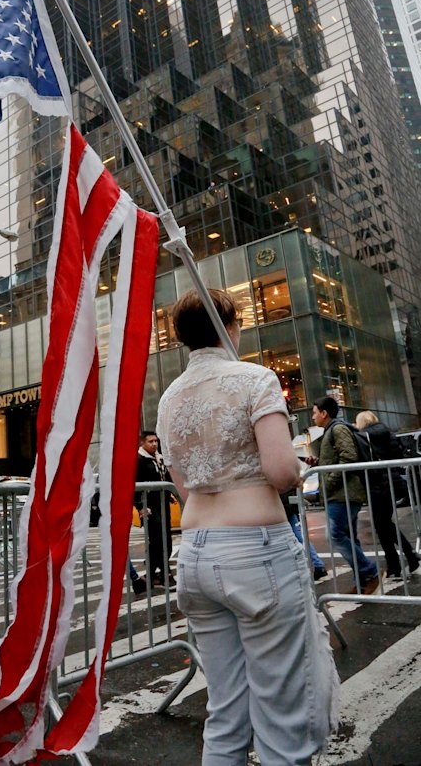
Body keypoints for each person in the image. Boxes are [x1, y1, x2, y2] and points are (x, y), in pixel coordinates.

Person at [157, 288, 338, 766]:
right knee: (283, 716)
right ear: (231, 327)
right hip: (256, 551)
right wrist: (298, 466)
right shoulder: (255, 378)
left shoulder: (170, 398)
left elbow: (183, 488)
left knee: (225, 711)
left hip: (195, 553)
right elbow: (281, 473)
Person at [308, 397, 380, 594]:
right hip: (344, 493)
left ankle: (369, 570)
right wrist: (317, 463)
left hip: (343, 494)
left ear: (324, 413)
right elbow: (339, 457)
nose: (313, 417)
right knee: (348, 537)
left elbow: (348, 457)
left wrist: (329, 483)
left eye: (315, 412)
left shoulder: (337, 429)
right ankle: (362, 582)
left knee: (335, 534)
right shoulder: (331, 430)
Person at [355, 410, 420, 578]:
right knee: (384, 525)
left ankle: (403, 560)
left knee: (383, 525)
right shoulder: (387, 433)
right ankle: (399, 562)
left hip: (377, 485)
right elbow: (397, 455)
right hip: (393, 482)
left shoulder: (364, 437)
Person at [135, 431, 175, 587]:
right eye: (150, 441)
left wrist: (170, 494)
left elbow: (166, 479)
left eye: (156, 441)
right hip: (149, 506)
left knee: (165, 539)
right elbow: (135, 486)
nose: (154, 444)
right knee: (158, 540)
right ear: (142, 443)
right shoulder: (139, 460)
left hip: (163, 504)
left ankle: (151, 576)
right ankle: (165, 574)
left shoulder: (159, 458)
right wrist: (140, 506)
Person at [280, 488, 328, 581]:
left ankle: (317, 565)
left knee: (297, 536)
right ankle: (317, 565)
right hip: (287, 503)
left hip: (283, 504)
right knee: (298, 535)